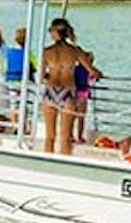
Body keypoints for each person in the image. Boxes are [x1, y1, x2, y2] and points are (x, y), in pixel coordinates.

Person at [39, 17, 100, 154]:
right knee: (66, 137)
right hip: (68, 92)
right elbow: (92, 71)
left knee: (50, 136)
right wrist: (98, 75)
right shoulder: (75, 51)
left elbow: (41, 75)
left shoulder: (46, 52)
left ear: (55, 32)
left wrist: (50, 75)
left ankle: (48, 163)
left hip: (50, 91)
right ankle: (63, 163)